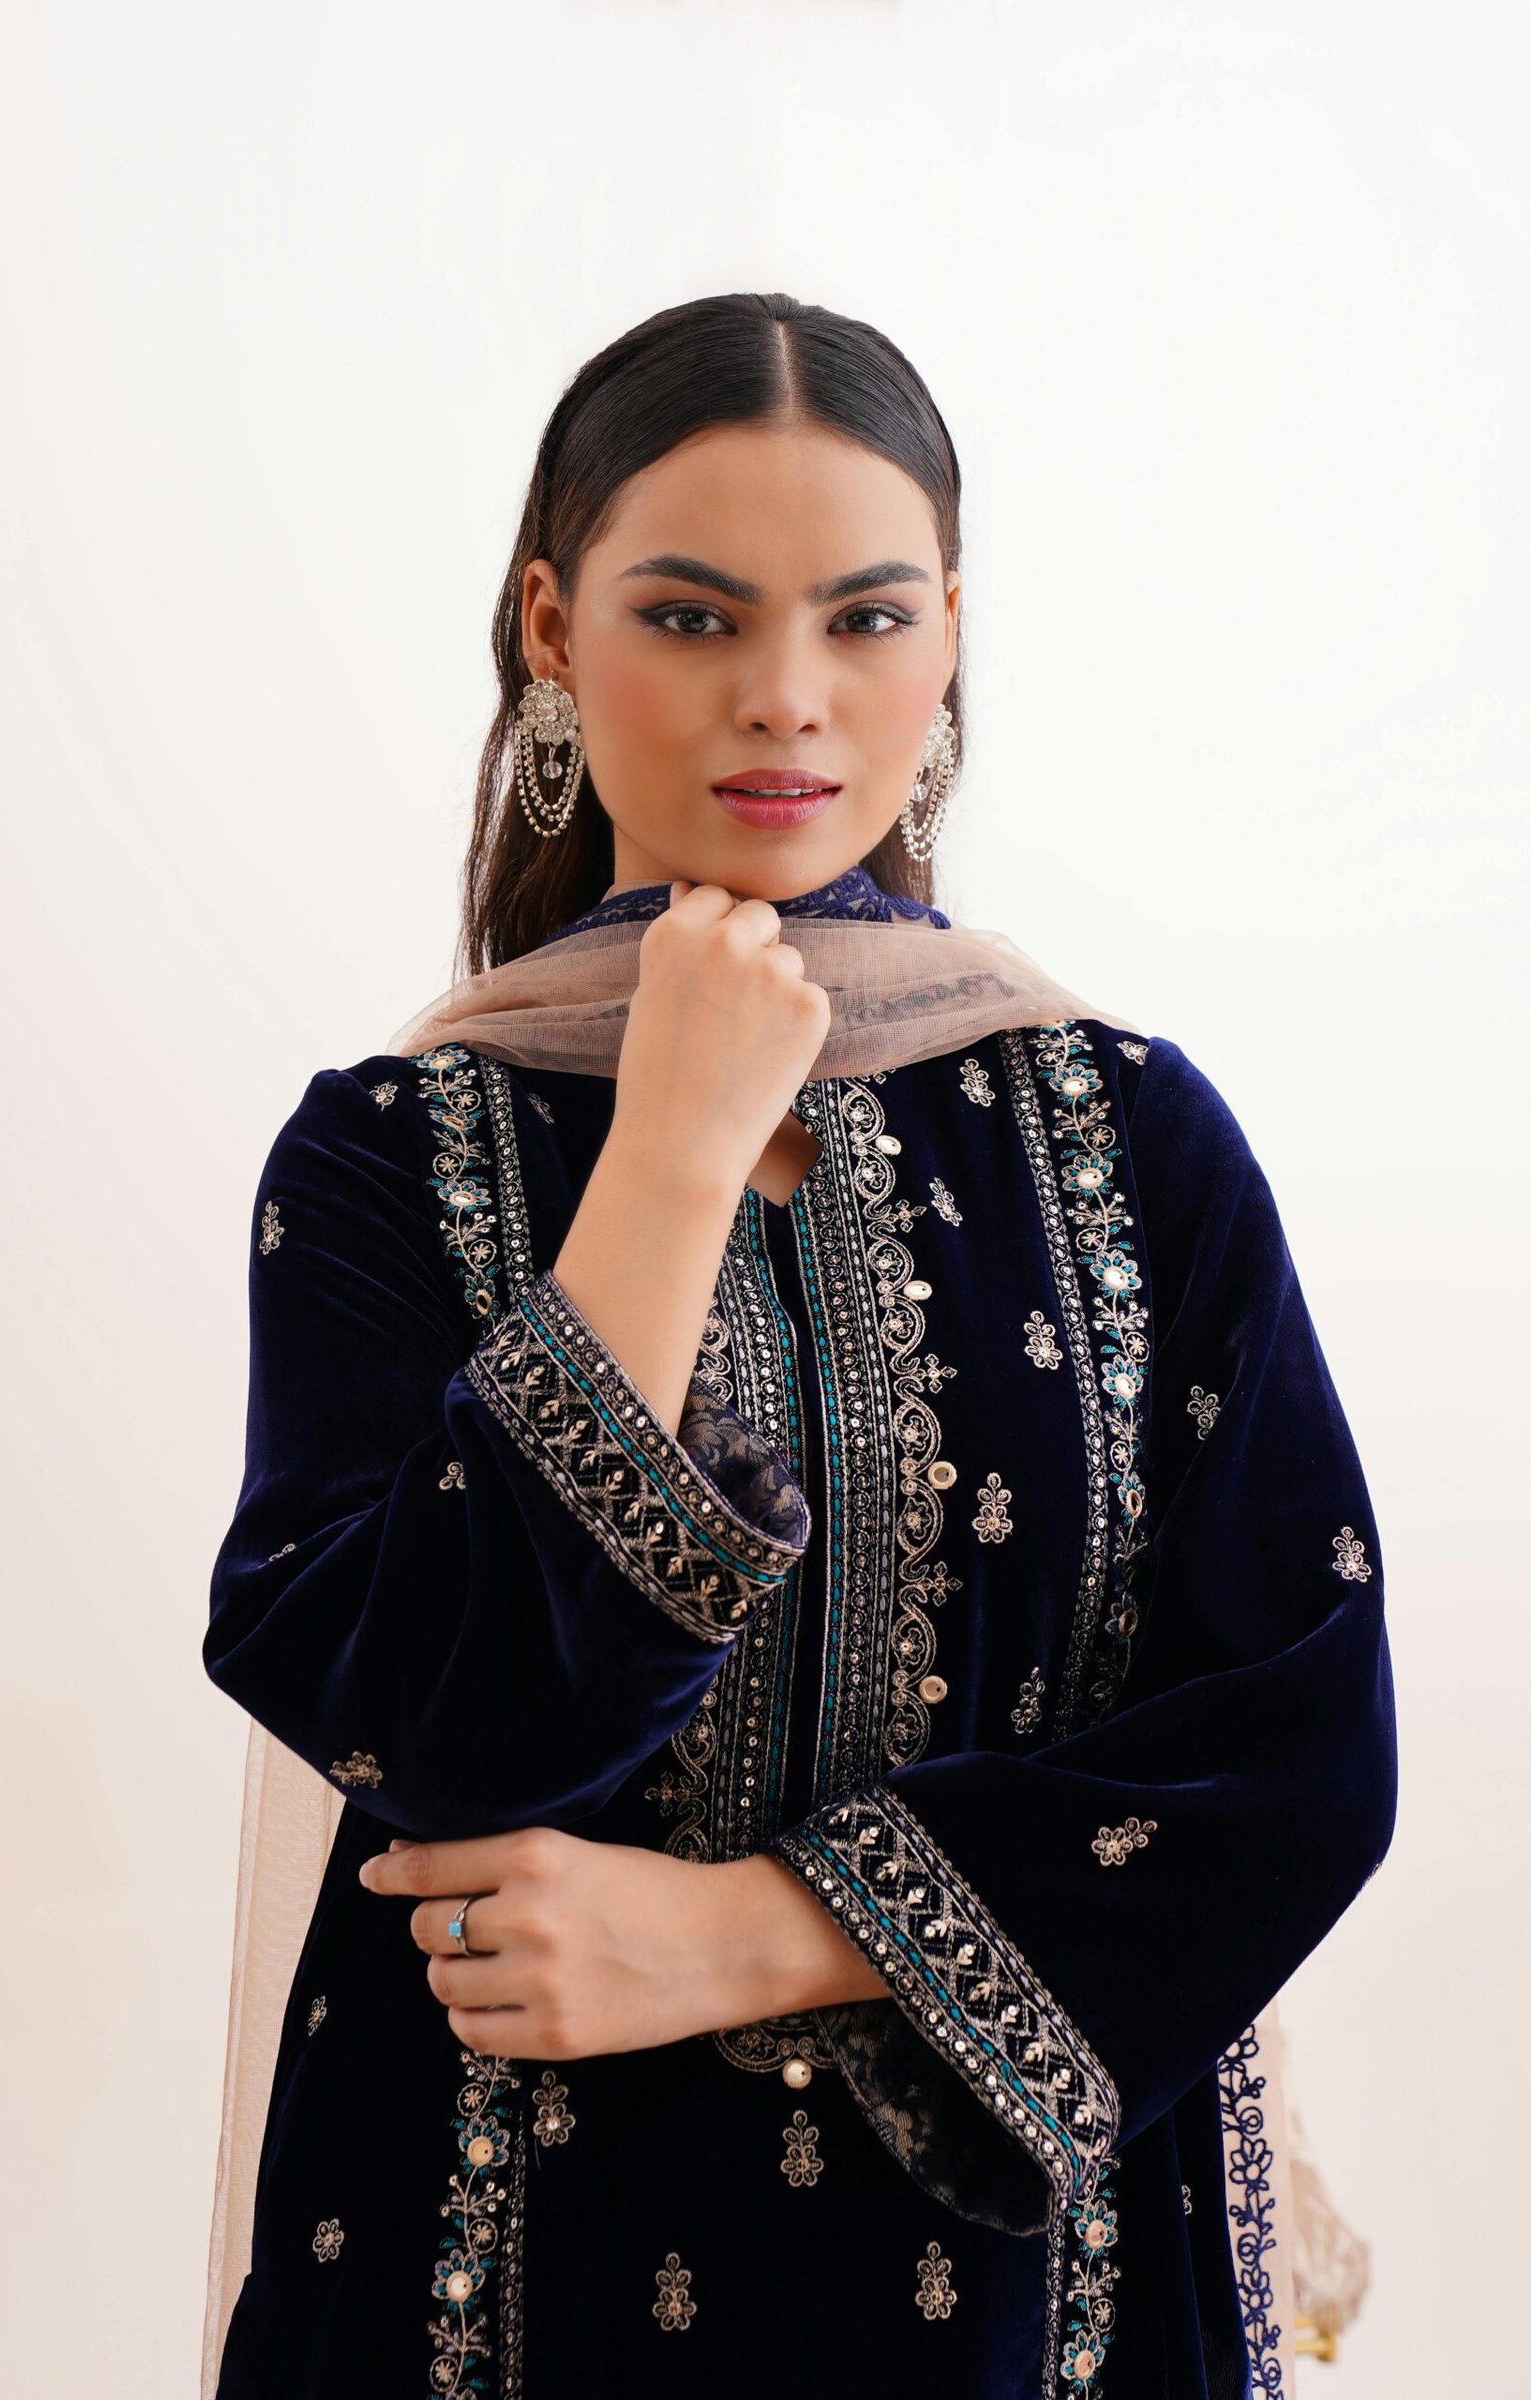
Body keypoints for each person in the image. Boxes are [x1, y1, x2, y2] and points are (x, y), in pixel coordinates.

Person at [200, 290, 1398, 2399]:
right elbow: (408, 1718)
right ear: (552, 633)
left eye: (861, 620)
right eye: (688, 618)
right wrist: (663, 1155)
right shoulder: (395, 1155)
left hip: (1035, 2293)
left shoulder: (1130, 1134)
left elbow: (1295, 1753)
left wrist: (741, 1934)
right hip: (502, 2273)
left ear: (947, 634)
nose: (785, 699)